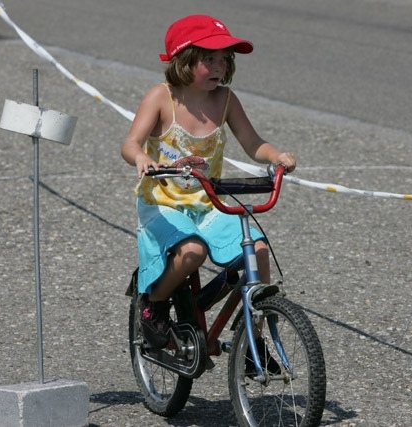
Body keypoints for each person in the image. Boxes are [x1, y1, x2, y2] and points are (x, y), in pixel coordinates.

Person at [121, 14, 296, 349]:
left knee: (258, 251)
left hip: (208, 203)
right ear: (184, 61)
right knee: (192, 252)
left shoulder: (225, 100)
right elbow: (130, 144)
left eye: (224, 59)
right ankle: (153, 303)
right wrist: (141, 157)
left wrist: (275, 156)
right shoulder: (161, 97)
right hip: (163, 204)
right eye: (209, 59)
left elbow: (252, 142)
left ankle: (255, 339)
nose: (219, 67)